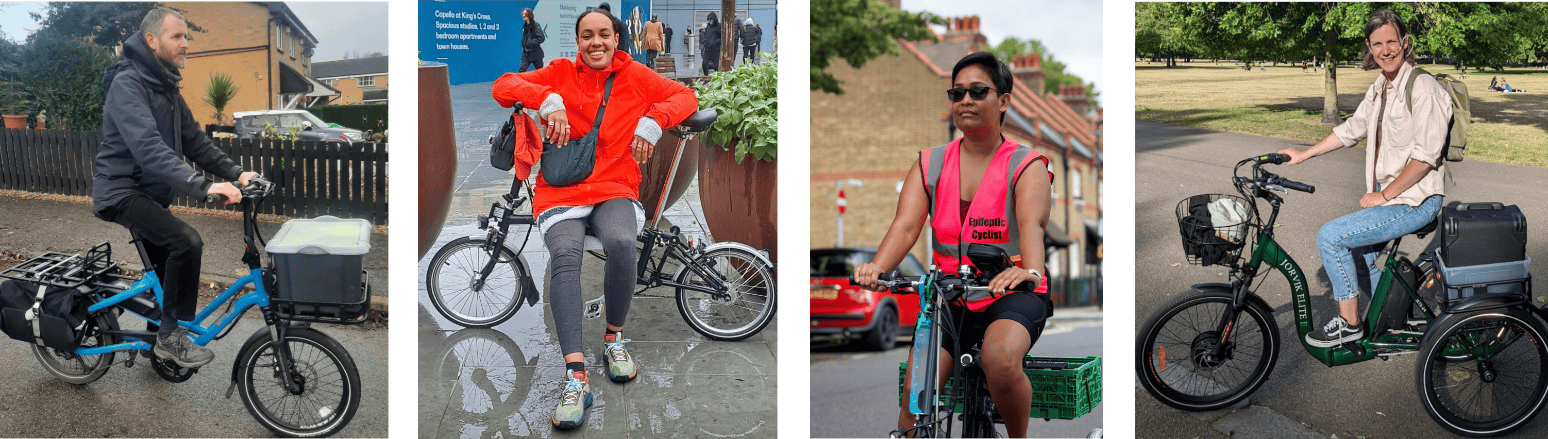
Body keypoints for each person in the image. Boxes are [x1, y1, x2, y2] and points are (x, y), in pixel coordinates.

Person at [490, 8, 698, 430]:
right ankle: (575, 376)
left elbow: (686, 96)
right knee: (565, 255)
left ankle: (613, 339)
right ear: (578, 41)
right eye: (587, 36)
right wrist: (545, 100)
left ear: (616, 39)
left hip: (614, 186)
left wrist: (653, 121)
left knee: (623, 242)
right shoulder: (560, 71)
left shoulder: (636, 76)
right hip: (562, 190)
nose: (596, 43)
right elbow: (503, 84)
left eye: (604, 34)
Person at [853, 51, 1053, 439]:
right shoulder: (930, 163)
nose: (965, 100)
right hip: (948, 295)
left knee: (1000, 361)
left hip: (1011, 290)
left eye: (978, 91)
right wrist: (877, 268)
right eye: (957, 92)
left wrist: (1028, 271)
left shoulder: (1026, 165)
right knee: (916, 394)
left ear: (1004, 101)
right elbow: (906, 225)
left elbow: (1033, 226)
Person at [1276, 9, 1451, 348]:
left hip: (1416, 200)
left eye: (1391, 42)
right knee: (1357, 251)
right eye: (1377, 44)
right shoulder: (1381, 87)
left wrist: (1384, 197)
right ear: (1369, 48)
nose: (1385, 51)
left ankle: (1350, 323)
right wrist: (1302, 154)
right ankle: (1391, 316)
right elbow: (1350, 131)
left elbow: (1426, 158)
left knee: (1332, 237)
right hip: (1395, 197)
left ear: (1404, 42)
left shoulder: (1422, 88)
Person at [93, 8, 257, 369]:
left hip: (148, 195)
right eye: (178, 37)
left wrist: (239, 173)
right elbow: (148, 149)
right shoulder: (128, 84)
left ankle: (162, 341)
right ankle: (169, 338)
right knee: (185, 240)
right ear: (152, 41)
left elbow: (195, 142)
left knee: (168, 267)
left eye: (187, 36)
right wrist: (205, 186)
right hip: (121, 191)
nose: (186, 44)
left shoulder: (166, 87)